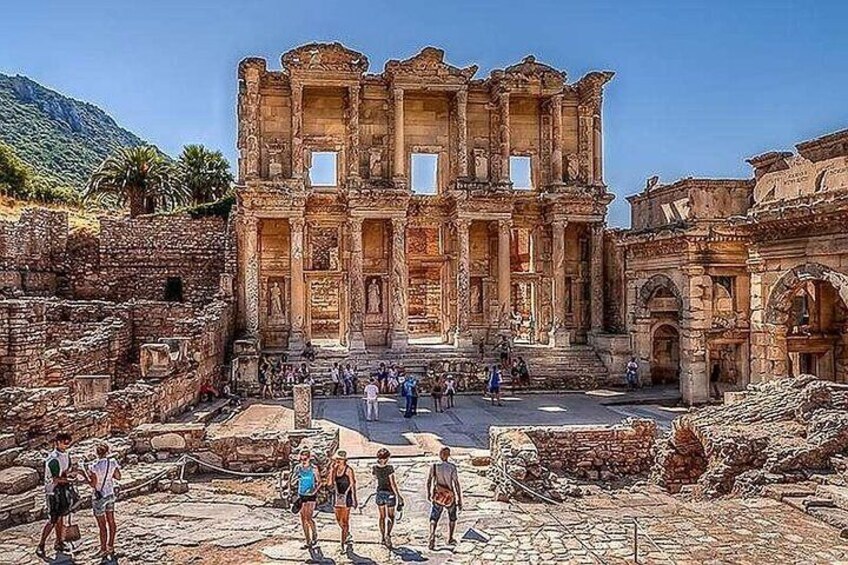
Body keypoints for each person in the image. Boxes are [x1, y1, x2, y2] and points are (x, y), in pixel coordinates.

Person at [37, 432, 77, 558]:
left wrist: (72, 474)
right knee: (53, 519)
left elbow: (66, 470)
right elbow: (55, 478)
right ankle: (41, 545)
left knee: (61, 517)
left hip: (62, 489)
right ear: (57, 442)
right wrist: (70, 480)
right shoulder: (53, 458)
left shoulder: (66, 455)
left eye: (68, 443)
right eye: (64, 443)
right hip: (53, 491)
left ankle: (59, 541)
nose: (66, 445)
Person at [88, 443, 122, 559]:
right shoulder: (112, 462)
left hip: (99, 497)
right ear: (107, 451)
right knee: (111, 521)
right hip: (110, 493)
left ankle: (103, 549)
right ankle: (111, 546)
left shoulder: (94, 466)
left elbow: (93, 483)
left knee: (102, 525)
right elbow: (118, 476)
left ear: (97, 453)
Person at [427, 447, 463, 550]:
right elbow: (456, 483)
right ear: (448, 455)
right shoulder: (452, 467)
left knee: (434, 517)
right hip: (449, 497)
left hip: (438, 496)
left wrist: (428, 493)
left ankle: (432, 535)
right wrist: (459, 499)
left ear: (440, 454)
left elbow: (429, 480)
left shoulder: (434, 466)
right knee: (452, 517)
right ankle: (450, 538)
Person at [373, 448, 403, 549]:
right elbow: (393, 483)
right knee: (391, 516)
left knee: (382, 517)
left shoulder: (375, 468)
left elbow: (375, 478)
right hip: (389, 493)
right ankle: (388, 535)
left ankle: (382, 537)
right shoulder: (389, 468)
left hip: (380, 493)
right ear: (387, 458)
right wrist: (399, 496)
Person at [327, 450, 357, 551]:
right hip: (336, 497)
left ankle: (343, 544)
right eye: (337, 459)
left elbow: (353, 484)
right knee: (338, 520)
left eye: (340, 459)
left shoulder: (349, 470)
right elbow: (330, 484)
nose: (338, 461)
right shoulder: (334, 469)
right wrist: (331, 470)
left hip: (346, 497)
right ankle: (347, 534)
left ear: (344, 460)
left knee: (344, 522)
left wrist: (354, 498)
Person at [292, 448, 320, 549]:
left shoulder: (314, 468)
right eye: (301, 459)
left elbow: (319, 482)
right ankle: (308, 541)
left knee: (308, 518)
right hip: (301, 494)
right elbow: (292, 481)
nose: (303, 460)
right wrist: (296, 479)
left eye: (305, 458)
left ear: (309, 458)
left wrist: (314, 491)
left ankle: (315, 534)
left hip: (311, 495)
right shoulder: (298, 468)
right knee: (303, 519)